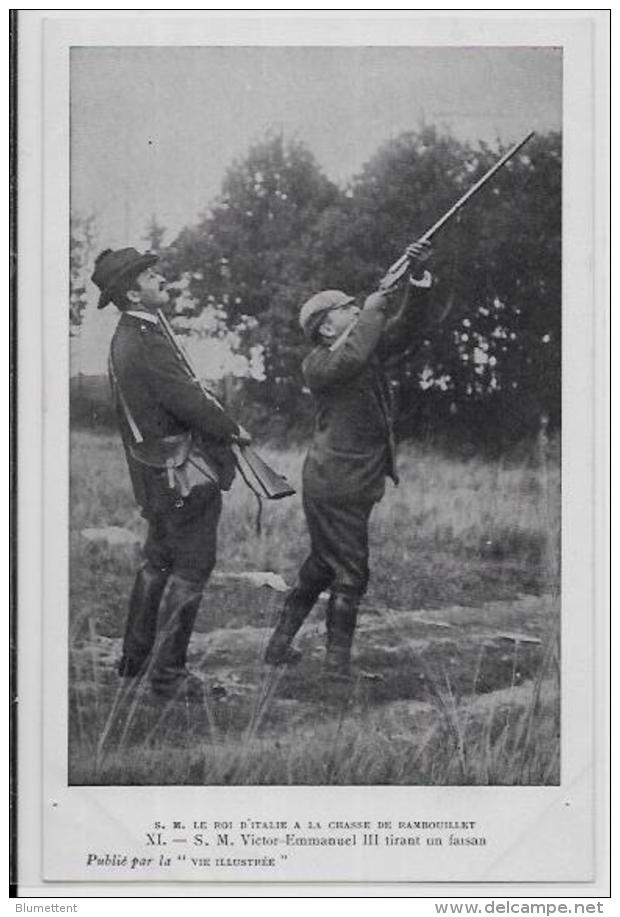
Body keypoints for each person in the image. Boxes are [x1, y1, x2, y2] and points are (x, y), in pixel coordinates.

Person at [264, 241, 432, 677]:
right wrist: (377, 303)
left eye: (357, 306)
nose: (356, 309)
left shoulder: (358, 348)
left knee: (323, 565)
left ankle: (278, 647)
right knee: (351, 572)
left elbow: (407, 331)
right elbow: (355, 352)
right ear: (325, 328)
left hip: (346, 479)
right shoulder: (319, 363)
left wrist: (414, 281)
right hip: (337, 481)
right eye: (347, 308)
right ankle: (337, 669)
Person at [91, 247, 249, 701]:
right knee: (191, 567)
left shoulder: (135, 333)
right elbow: (185, 399)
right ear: (130, 291)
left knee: (156, 563)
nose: (159, 276)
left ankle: (135, 661)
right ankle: (168, 677)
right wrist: (231, 428)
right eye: (147, 273)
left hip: (157, 475)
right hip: (181, 474)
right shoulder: (142, 337)